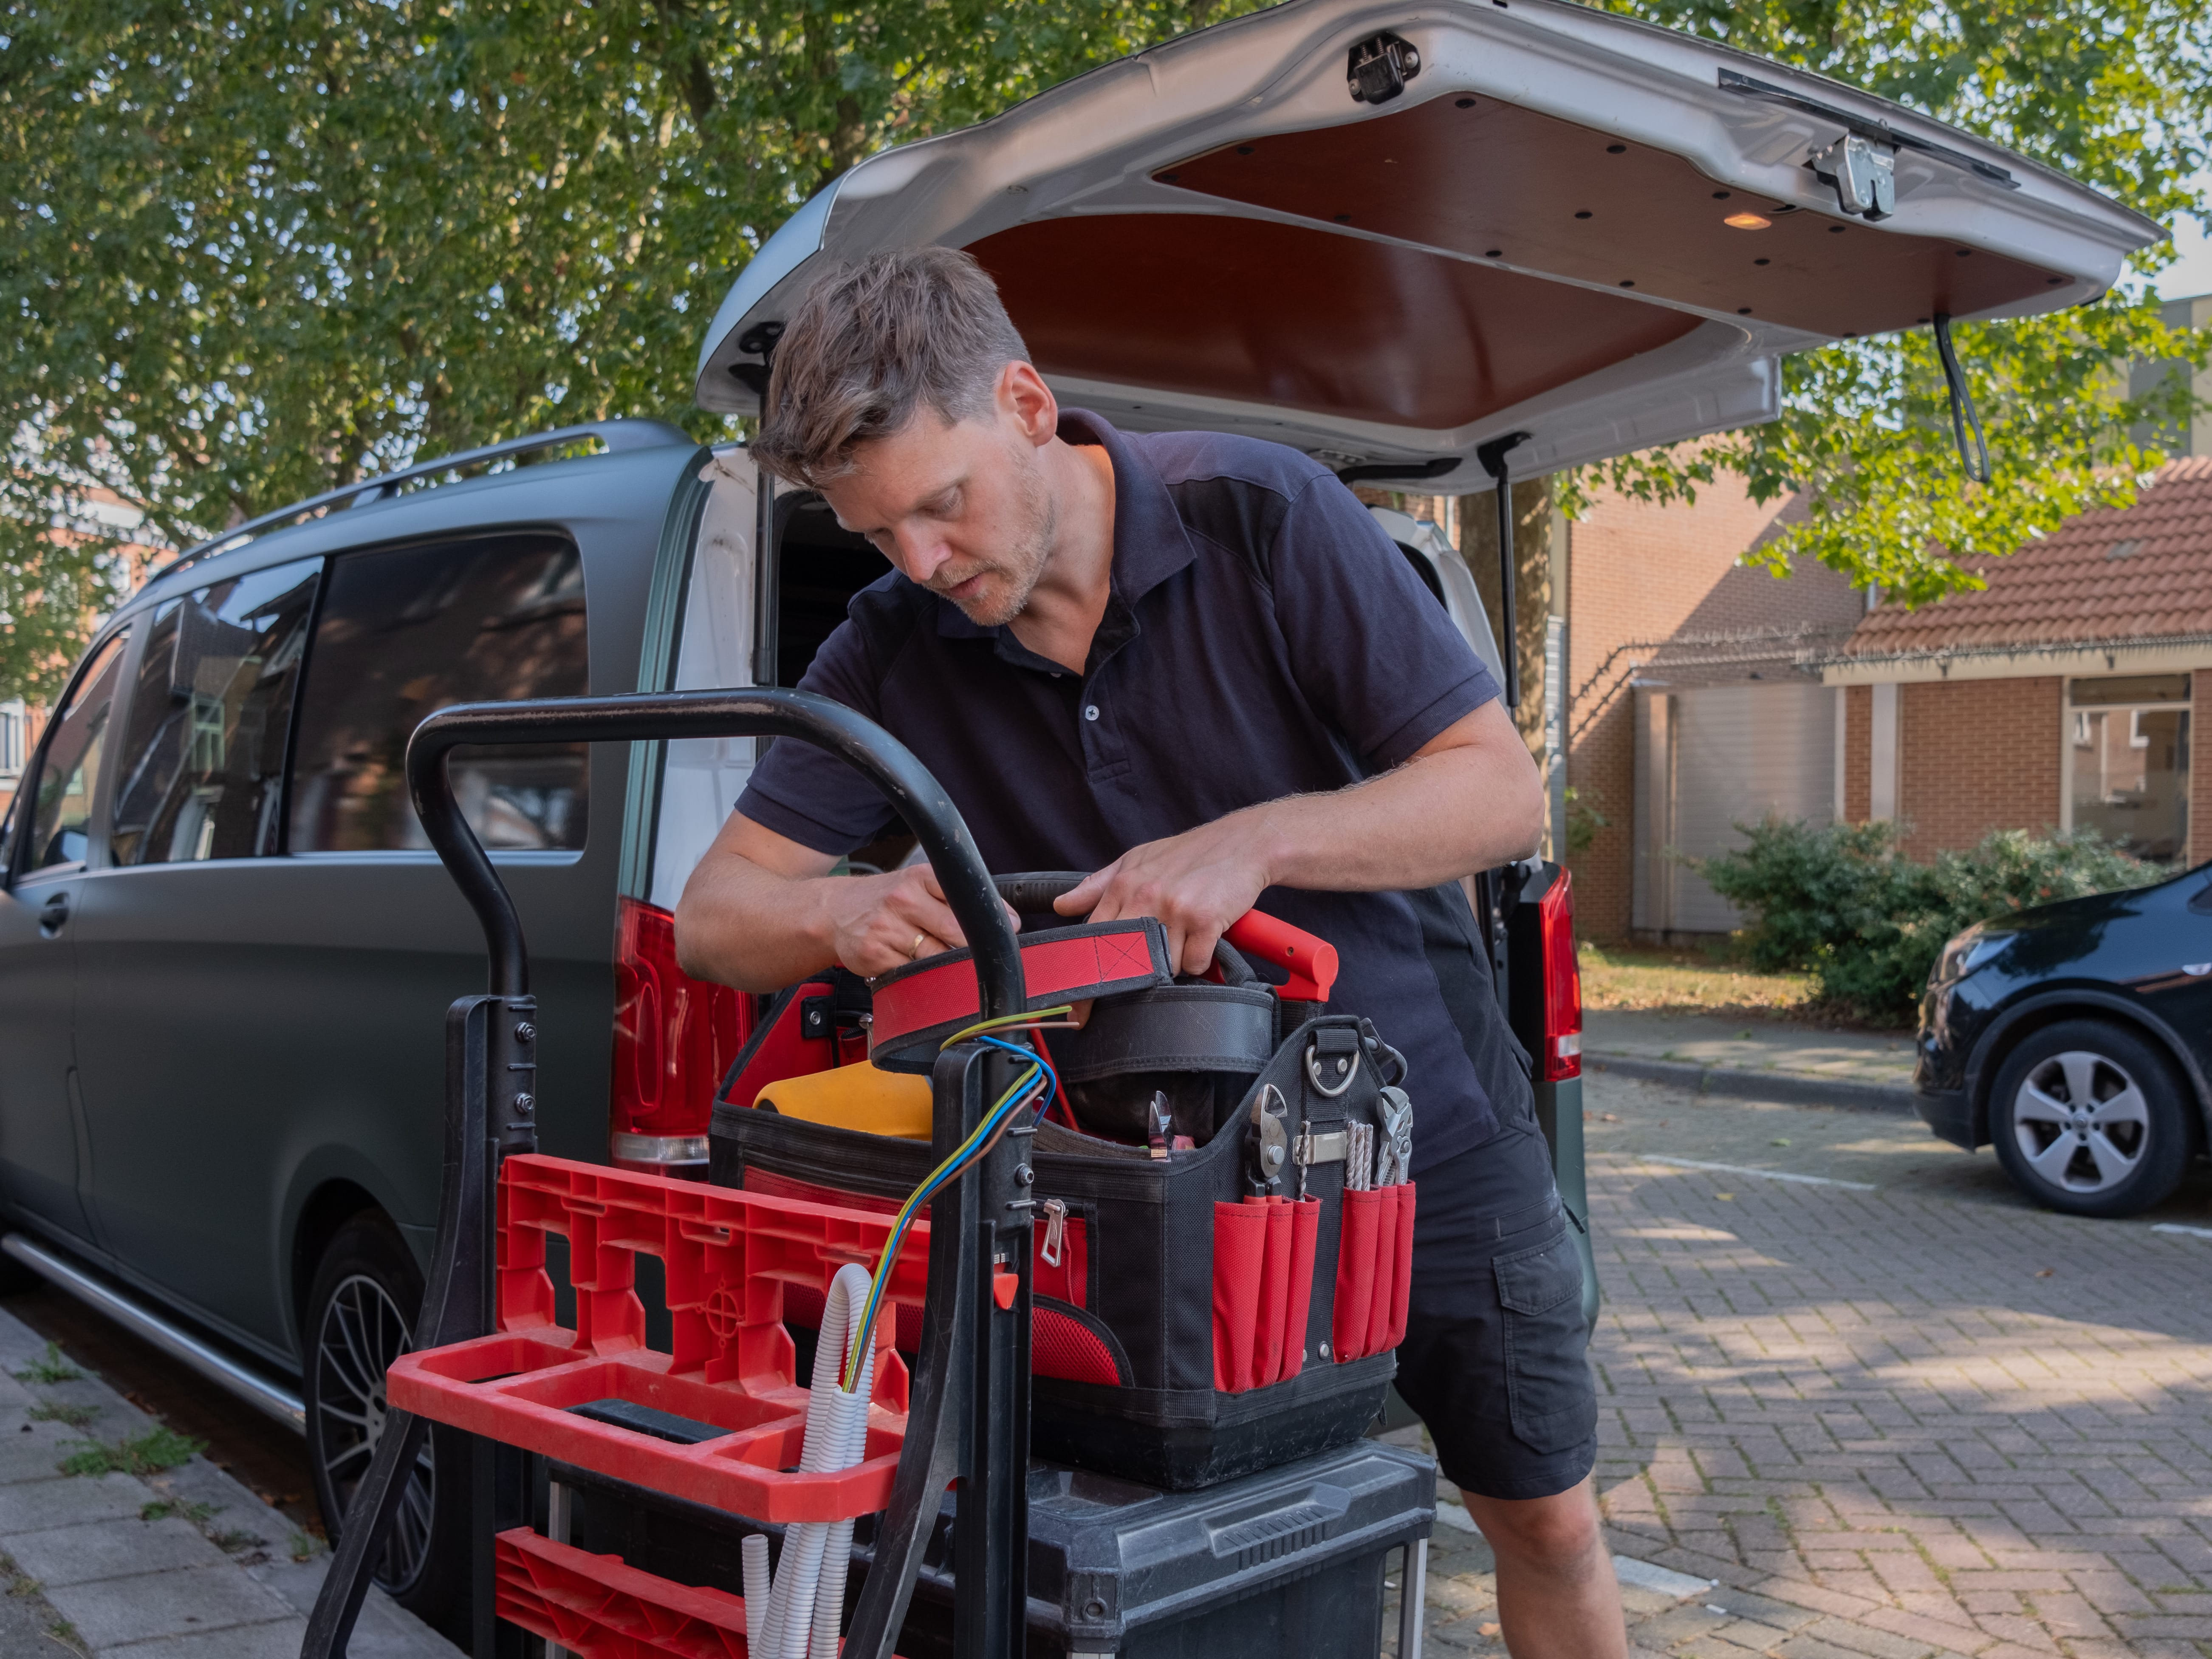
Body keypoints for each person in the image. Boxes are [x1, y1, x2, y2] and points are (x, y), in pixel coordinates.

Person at [674, 247, 1624, 1657]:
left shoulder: (1263, 516)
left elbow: (1497, 791)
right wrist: (835, 916)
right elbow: (711, 914)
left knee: (1542, 1516)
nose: (926, 566)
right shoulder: (887, 646)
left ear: (1029, 403)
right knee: (1169, 1563)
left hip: (1406, 1135)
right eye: (884, 539)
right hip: (1125, 1185)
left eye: (943, 506)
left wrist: (1255, 841)